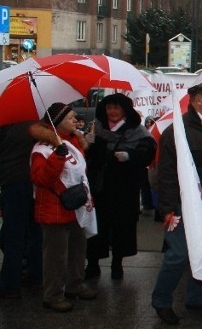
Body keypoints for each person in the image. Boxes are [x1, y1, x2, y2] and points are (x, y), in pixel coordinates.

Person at [151, 81, 202, 325]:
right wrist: (168, 209)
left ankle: (196, 296)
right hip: (184, 204)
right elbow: (167, 174)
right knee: (179, 254)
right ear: (195, 100)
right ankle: (161, 300)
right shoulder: (177, 131)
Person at [30, 103, 98, 312]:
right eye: (70, 118)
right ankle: (53, 295)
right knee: (56, 256)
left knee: (78, 249)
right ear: (57, 123)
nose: (75, 122)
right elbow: (40, 178)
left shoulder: (73, 142)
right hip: (54, 209)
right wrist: (58, 157)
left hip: (75, 206)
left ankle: (74, 285)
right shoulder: (42, 149)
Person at [84, 94, 157, 280]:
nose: (112, 112)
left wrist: (131, 156)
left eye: (116, 108)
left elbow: (147, 153)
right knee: (96, 227)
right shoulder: (96, 127)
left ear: (125, 110)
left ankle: (118, 263)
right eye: (109, 108)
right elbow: (89, 158)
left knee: (121, 227)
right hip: (99, 187)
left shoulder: (138, 131)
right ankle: (93, 264)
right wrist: (87, 144)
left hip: (125, 188)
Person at [0, 121, 41, 299]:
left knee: (13, 235)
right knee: (36, 231)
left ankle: (10, 284)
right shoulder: (39, 123)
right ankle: (36, 276)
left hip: (13, 180)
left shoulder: (6, 124)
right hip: (37, 182)